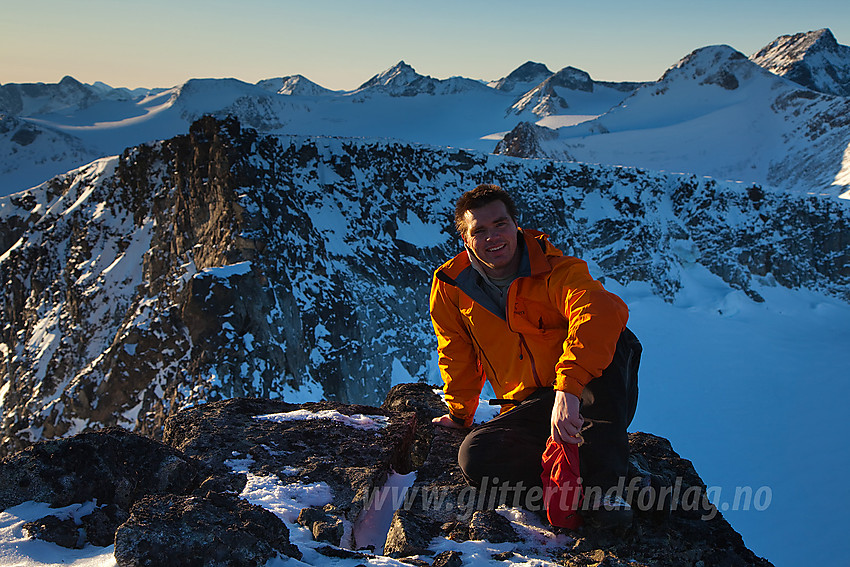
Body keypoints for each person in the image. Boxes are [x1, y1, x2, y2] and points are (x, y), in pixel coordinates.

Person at [429, 184, 640, 527]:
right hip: (530, 406)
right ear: (466, 240)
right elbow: (457, 353)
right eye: (479, 230)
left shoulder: (556, 270)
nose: (492, 236)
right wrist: (459, 413)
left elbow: (597, 310)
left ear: (517, 226)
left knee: (613, 336)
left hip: (590, 394)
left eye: (500, 224)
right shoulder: (451, 288)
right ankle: (587, 483)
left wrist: (568, 389)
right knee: (474, 457)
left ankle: (606, 488)